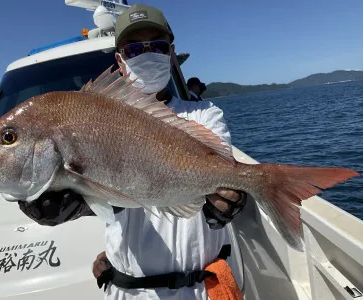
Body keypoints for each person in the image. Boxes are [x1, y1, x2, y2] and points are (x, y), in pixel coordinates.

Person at [18, 4, 246, 300]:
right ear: (120, 60)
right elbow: (100, 196)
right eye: (135, 48)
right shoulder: (98, 119)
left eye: (158, 46)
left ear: (171, 53)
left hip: (202, 288)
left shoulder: (204, 113)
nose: (148, 54)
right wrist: (65, 198)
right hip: (129, 291)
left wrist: (224, 204)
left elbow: (218, 172)